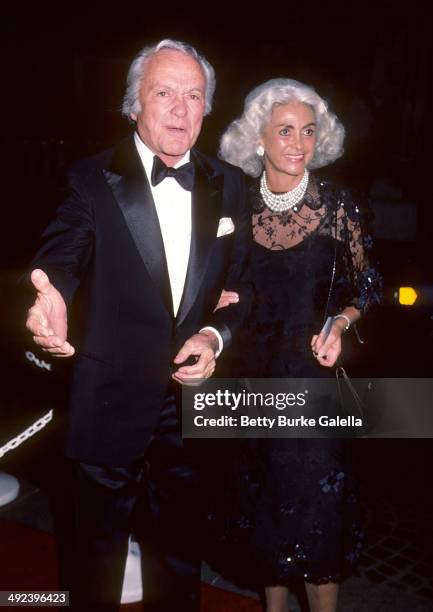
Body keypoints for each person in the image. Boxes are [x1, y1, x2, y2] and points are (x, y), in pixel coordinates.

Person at [25, 39, 251, 611]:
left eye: (193, 96)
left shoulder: (230, 183)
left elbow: (247, 288)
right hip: (108, 399)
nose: (180, 109)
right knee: (94, 566)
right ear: (134, 105)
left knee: (179, 560)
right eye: (164, 93)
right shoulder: (89, 178)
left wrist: (215, 334)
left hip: (192, 406)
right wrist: (49, 297)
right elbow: (61, 259)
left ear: (207, 110)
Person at [209, 79, 382, 612]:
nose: (297, 143)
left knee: (317, 519)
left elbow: (368, 286)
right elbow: (218, 283)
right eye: (284, 130)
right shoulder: (235, 206)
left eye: (308, 131)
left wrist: (340, 321)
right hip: (250, 384)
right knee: (265, 518)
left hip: (312, 386)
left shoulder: (336, 206)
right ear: (257, 138)